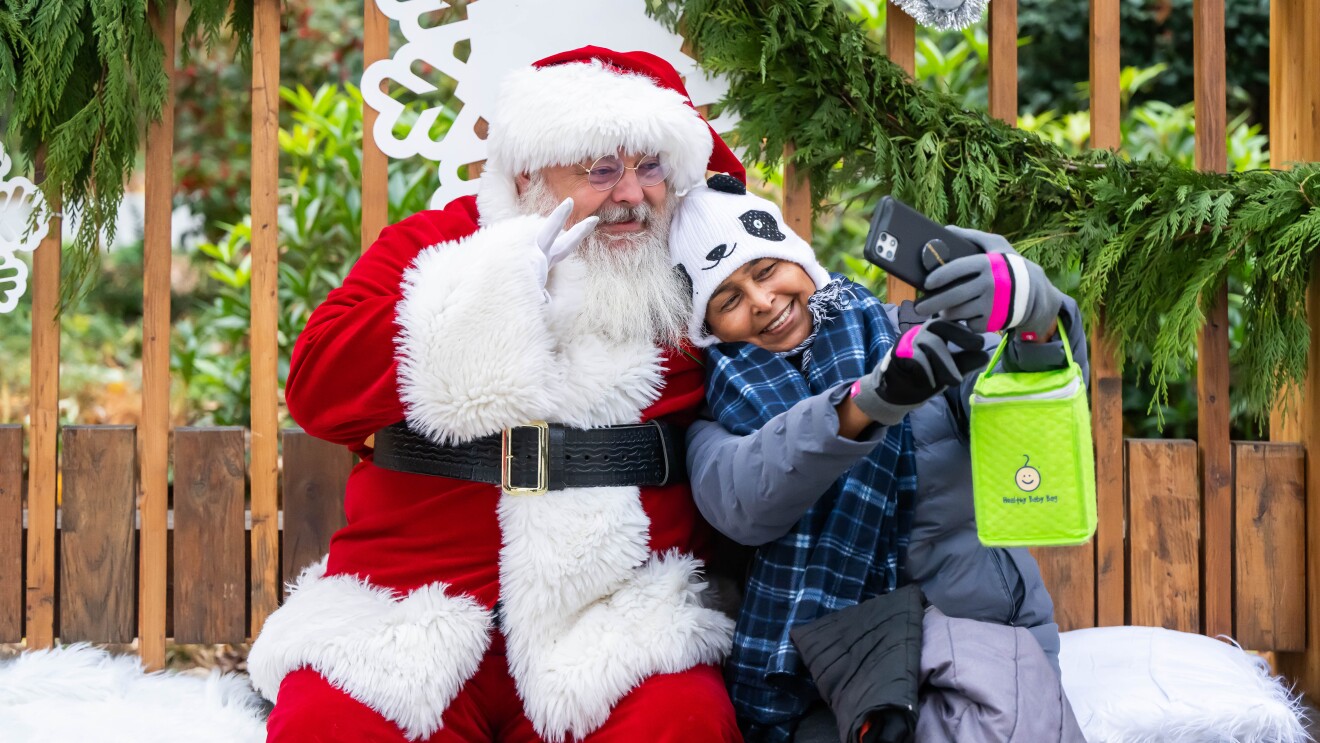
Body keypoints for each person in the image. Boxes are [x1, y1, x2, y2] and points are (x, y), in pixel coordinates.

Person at [246, 47, 749, 743]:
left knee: (685, 724)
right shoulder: (437, 243)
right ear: (526, 174)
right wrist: (492, 287)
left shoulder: (692, 267)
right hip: (408, 611)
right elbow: (316, 389)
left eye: (651, 167)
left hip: (618, 622)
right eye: (602, 170)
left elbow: (794, 324)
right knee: (326, 728)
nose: (633, 195)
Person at [669, 179, 1089, 739]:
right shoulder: (715, 417)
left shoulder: (917, 338)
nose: (762, 302)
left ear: (797, 257)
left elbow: (1029, 420)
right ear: (708, 327)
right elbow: (747, 501)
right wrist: (869, 401)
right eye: (728, 300)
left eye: (766, 271)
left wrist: (1036, 317)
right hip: (823, 675)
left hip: (980, 639)